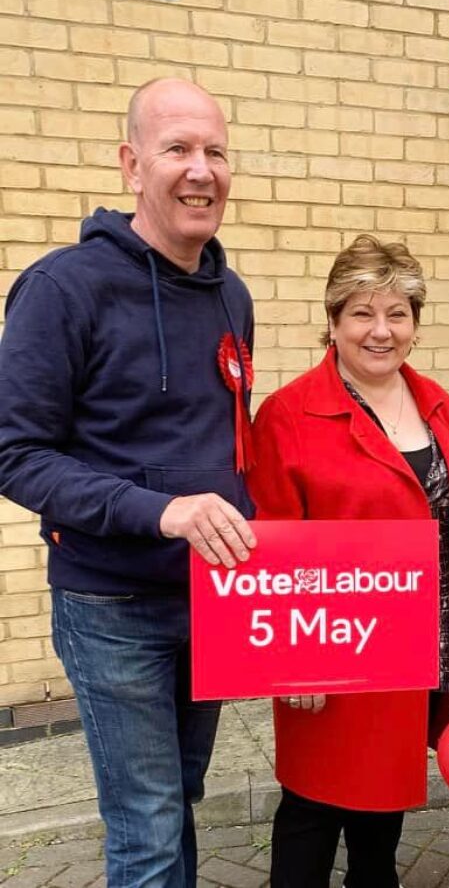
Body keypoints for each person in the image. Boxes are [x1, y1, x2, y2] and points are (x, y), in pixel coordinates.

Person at [0, 78, 257, 887]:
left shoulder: (231, 294)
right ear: (130, 163)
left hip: (210, 601)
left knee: (179, 798)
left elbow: (223, 442)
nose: (200, 169)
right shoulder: (61, 289)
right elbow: (15, 452)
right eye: (178, 148)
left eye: (215, 151)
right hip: (112, 606)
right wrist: (160, 510)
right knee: (145, 827)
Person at [248, 234, 449, 888]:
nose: (381, 330)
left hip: (421, 650)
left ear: (414, 323)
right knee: (313, 808)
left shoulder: (438, 405)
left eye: (397, 313)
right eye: (361, 312)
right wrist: (291, 657)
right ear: (332, 320)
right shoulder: (289, 414)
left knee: (382, 813)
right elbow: (271, 536)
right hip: (330, 653)